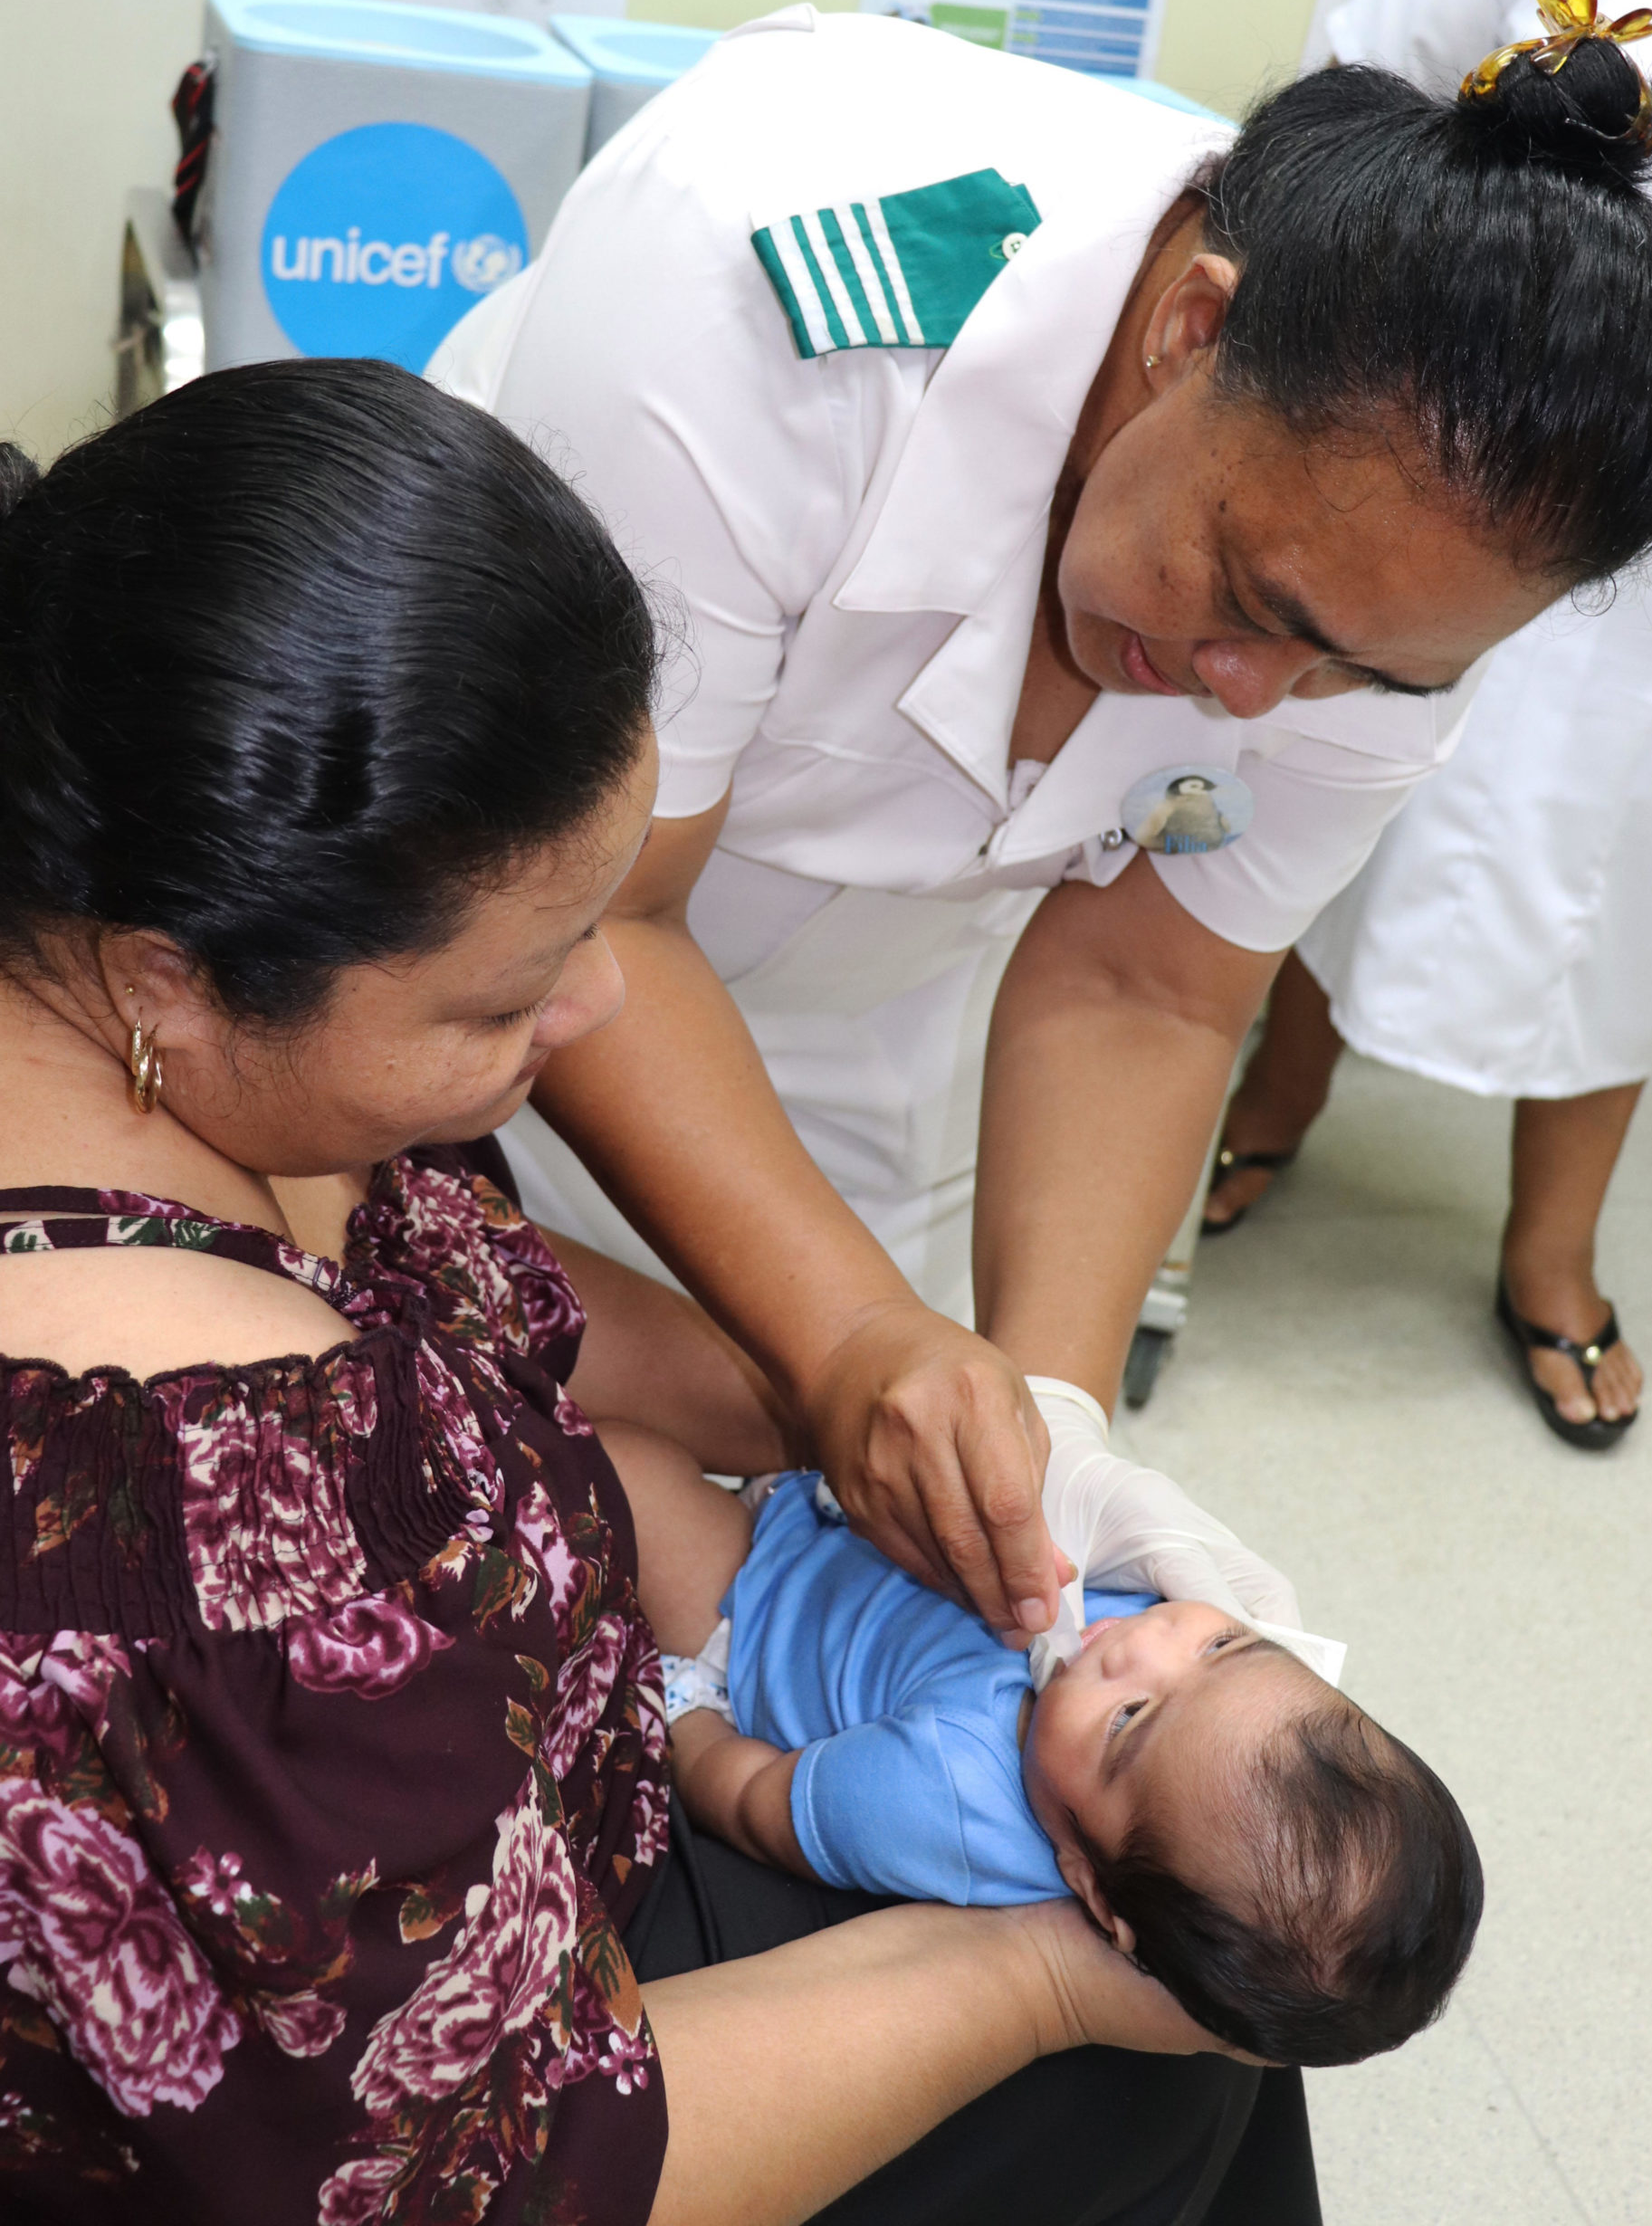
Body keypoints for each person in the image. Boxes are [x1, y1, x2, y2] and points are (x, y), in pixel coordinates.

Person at [0, 362, 1323, 2226]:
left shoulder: (164, 1061)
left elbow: (456, 1276)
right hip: (507, 2104)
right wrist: (1036, 1977)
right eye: (502, 996)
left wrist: (839, 1401)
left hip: (573, 1782)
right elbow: (507, 2165)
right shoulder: (209, 1557)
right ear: (178, 980)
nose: (593, 1014)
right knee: (1165, 2078)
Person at [433, 0, 1652, 1631]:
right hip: (467, 893)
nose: (1250, 695)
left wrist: (1056, 1433)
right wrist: (842, 1342)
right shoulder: (764, 293)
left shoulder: (1393, 598)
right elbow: (598, 906)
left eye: (1355, 673)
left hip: (870, 978)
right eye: (1250, 596)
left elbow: (1149, 987)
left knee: (807, 1503)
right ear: (1188, 326)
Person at [1204, 0, 1652, 1454]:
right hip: (1455, 465)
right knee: (1344, 790)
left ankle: (1550, 1248)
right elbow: (1363, 89)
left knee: (1634, 900)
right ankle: (1283, 1092)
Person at [605, 1438, 1484, 2070]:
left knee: (613, 1467)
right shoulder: (1158, 1646)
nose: (1137, 1644)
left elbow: (757, 1799)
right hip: (838, 1511)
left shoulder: (939, 1795)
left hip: (750, 1599)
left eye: (1127, 1719)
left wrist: (689, 1712)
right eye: (1224, 1650)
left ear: (1092, 1884)